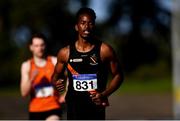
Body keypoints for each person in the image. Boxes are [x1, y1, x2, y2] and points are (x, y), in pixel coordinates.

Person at [51, 7, 124, 120]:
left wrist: (104, 94)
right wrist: (57, 83)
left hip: (96, 107)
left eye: (90, 23)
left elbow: (119, 75)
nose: (86, 27)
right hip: (73, 107)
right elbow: (54, 77)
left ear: (94, 26)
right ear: (76, 26)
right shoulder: (65, 53)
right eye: (83, 23)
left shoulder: (104, 50)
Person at [20, 33, 65, 120]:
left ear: (45, 46)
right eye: (36, 46)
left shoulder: (54, 61)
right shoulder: (27, 65)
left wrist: (64, 93)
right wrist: (31, 79)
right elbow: (24, 93)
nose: (40, 48)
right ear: (31, 47)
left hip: (53, 107)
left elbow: (68, 76)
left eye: (42, 45)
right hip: (35, 109)